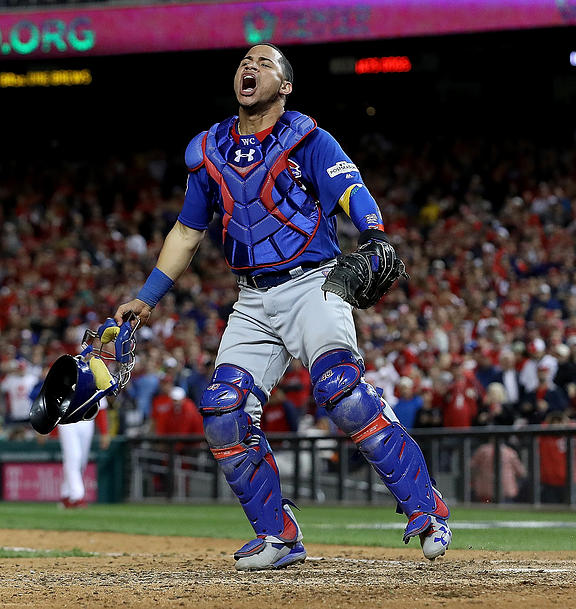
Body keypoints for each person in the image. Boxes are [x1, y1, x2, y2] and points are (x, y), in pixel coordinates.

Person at [113, 43, 450, 571]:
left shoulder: (307, 138)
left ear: (286, 86)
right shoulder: (208, 149)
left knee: (342, 393)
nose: (250, 66)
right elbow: (186, 231)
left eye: (265, 62)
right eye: (245, 61)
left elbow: (350, 189)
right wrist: (147, 297)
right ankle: (278, 536)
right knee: (223, 410)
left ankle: (426, 511)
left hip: (314, 282)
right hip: (252, 296)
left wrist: (375, 234)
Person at [58, 399, 110, 508]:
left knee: (82, 460)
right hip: (66, 420)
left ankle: (66, 495)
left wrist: (104, 432)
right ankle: (77, 496)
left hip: (87, 420)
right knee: (74, 457)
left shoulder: (95, 381)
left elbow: (101, 407)